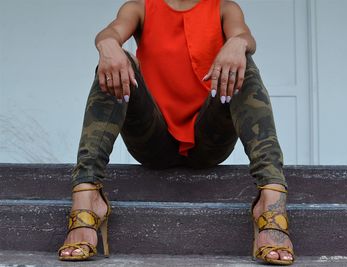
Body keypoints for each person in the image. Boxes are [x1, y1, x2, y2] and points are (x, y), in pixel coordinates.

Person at [57, 0, 294, 265]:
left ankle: (271, 200)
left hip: (209, 141)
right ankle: (87, 196)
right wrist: (108, 45)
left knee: (243, 63)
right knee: (114, 64)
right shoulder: (140, 7)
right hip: (153, 140)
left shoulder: (225, 8)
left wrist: (238, 43)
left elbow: (243, 35)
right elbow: (112, 31)